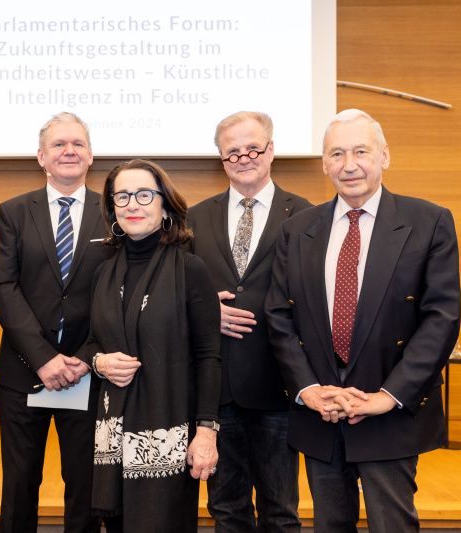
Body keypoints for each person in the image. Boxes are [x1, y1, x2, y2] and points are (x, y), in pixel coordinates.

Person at [265, 109, 461, 532]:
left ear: (385, 156)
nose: (349, 164)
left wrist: (388, 395)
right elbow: (279, 316)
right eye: (337, 153)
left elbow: (441, 318)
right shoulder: (297, 229)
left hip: (390, 413)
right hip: (321, 413)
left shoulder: (429, 222)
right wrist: (310, 391)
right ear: (324, 164)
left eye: (360, 151)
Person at [188, 111, 310, 532]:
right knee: (227, 508)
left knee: (281, 510)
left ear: (271, 150)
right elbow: (176, 294)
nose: (243, 158)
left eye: (252, 148)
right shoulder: (194, 218)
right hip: (216, 390)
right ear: (221, 159)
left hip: (279, 386)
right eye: (232, 152)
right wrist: (205, 314)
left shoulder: (305, 215)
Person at [0, 112, 110, 533]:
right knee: (20, 484)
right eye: (59, 145)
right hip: (26, 373)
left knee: (85, 486)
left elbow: (117, 295)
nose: (69, 151)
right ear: (41, 156)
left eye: (77, 144)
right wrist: (43, 358)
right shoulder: (14, 212)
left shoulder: (114, 213)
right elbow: (3, 288)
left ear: (91, 155)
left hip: (87, 374)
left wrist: (83, 357)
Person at [88, 159, 222, 533]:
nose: (133, 204)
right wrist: (99, 362)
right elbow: (90, 344)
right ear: (112, 208)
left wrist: (206, 433)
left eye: (144, 195)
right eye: (123, 196)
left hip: (169, 433)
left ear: (164, 204)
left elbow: (208, 357)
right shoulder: (102, 272)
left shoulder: (190, 269)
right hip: (113, 432)